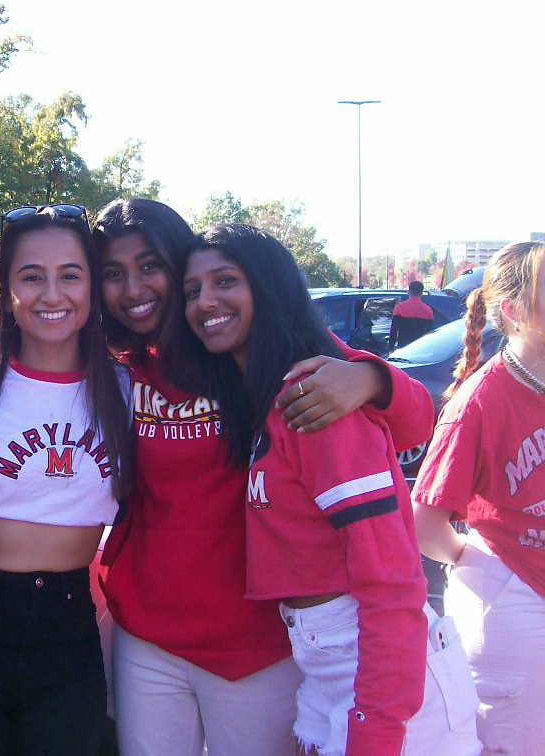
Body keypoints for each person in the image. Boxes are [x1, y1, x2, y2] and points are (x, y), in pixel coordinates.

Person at [91, 198, 438, 756]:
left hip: (260, 646)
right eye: (113, 273)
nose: (134, 288)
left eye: (151, 265)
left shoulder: (258, 358)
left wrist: (371, 378)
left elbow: (417, 419)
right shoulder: (120, 368)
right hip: (146, 635)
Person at [175, 223, 479, 756]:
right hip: (321, 665)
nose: (205, 301)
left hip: (384, 671)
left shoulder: (315, 401)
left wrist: (378, 728)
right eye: (193, 290)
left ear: (269, 287)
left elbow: (392, 582)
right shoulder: (263, 392)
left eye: (225, 280)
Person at [0, 204, 132, 756]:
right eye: (31, 277)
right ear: (6, 289)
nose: (51, 295)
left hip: (68, 626)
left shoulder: (128, 387)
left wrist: (371, 377)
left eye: (70, 275)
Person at [413, 242, 545, 754]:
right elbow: (424, 522)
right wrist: (475, 561)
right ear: (514, 312)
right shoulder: (481, 400)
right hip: (511, 599)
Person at [390, 280, 436, 349]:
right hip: (421, 348)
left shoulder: (399, 307)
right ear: (421, 293)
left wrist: (391, 347)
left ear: (409, 291)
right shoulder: (428, 310)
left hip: (403, 348)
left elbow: (393, 330)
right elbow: (430, 334)